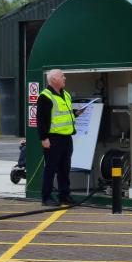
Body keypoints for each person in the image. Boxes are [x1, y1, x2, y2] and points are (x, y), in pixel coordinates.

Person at [36, 69, 81, 206]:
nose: (65, 78)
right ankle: (46, 197)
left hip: (66, 138)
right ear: (54, 79)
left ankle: (64, 195)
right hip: (53, 138)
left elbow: (63, 114)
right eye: (62, 76)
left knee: (64, 168)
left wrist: (75, 113)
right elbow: (41, 119)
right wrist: (44, 138)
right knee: (51, 168)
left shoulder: (65, 94)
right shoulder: (45, 96)